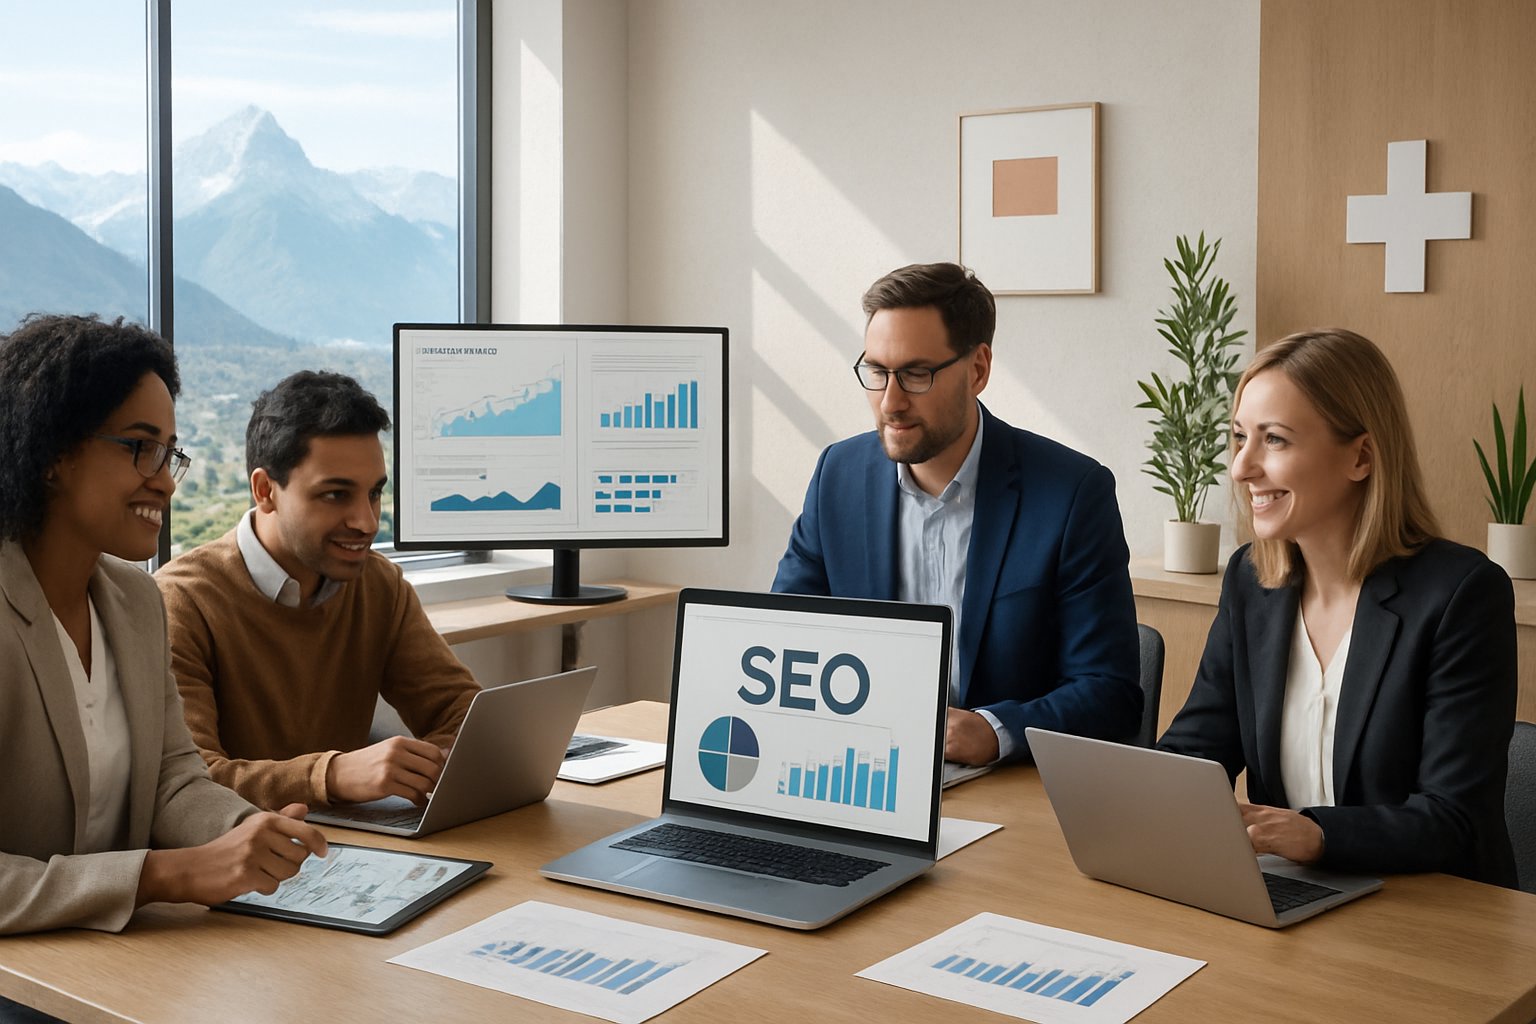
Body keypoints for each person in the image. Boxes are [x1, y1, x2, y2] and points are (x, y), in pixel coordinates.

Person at [0, 314, 326, 938]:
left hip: (117, 955)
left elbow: (172, 781)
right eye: (139, 447)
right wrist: (161, 875)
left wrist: (245, 831)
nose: (164, 481)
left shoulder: (136, 600)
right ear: (52, 455)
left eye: (169, 453)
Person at [1159, 328, 1517, 887]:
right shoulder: (1251, 581)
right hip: (1291, 894)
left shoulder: (1462, 594)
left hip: (1431, 910)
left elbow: (1454, 818)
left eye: (1274, 440)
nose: (1241, 467)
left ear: (1361, 456)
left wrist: (1316, 835)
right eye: (1240, 437)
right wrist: (1141, 788)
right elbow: (1198, 747)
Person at [773, 262, 1141, 765]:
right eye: (877, 372)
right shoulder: (838, 476)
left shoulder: (1071, 494)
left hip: (1002, 787)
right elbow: (784, 640)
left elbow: (1110, 693)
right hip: (857, 769)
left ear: (977, 370)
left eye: (915, 374)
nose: (890, 402)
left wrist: (996, 732)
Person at [156, 371, 480, 810]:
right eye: (335, 495)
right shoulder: (180, 602)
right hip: (240, 847)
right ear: (265, 491)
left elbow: (463, 712)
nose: (367, 521)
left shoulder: (379, 585)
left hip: (359, 840)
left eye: (374, 493)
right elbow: (193, 782)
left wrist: (435, 761)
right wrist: (331, 775)